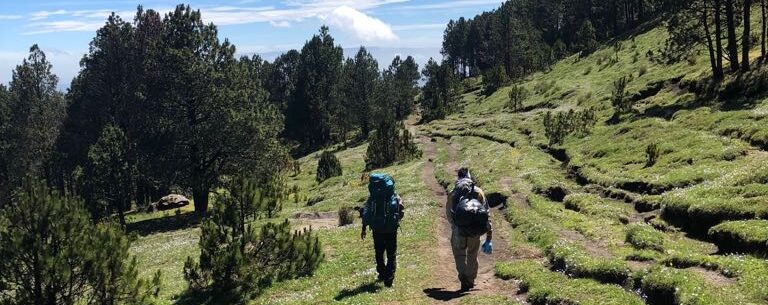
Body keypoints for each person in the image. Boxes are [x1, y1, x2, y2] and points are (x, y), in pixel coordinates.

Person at [446, 167, 493, 292]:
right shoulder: (478, 192)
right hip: (474, 230)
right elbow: (486, 212)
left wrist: (456, 225)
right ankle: (471, 279)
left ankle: (463, 278)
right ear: (470, 177)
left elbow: (449, 213)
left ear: (459, 177)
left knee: (459, 254)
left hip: (458, 230)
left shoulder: (453, 192)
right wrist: (489, 234)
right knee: (472, 253)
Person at [361, 173, 404, 287]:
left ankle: (381, 272)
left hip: (377, 229)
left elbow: (366, 214)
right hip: (391, 229)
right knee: (391, 253)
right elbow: (401, 209)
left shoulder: (372, 198)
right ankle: (389, 278)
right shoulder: (393, 195)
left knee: (379, 253)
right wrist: (397, 218)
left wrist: (364, 229)